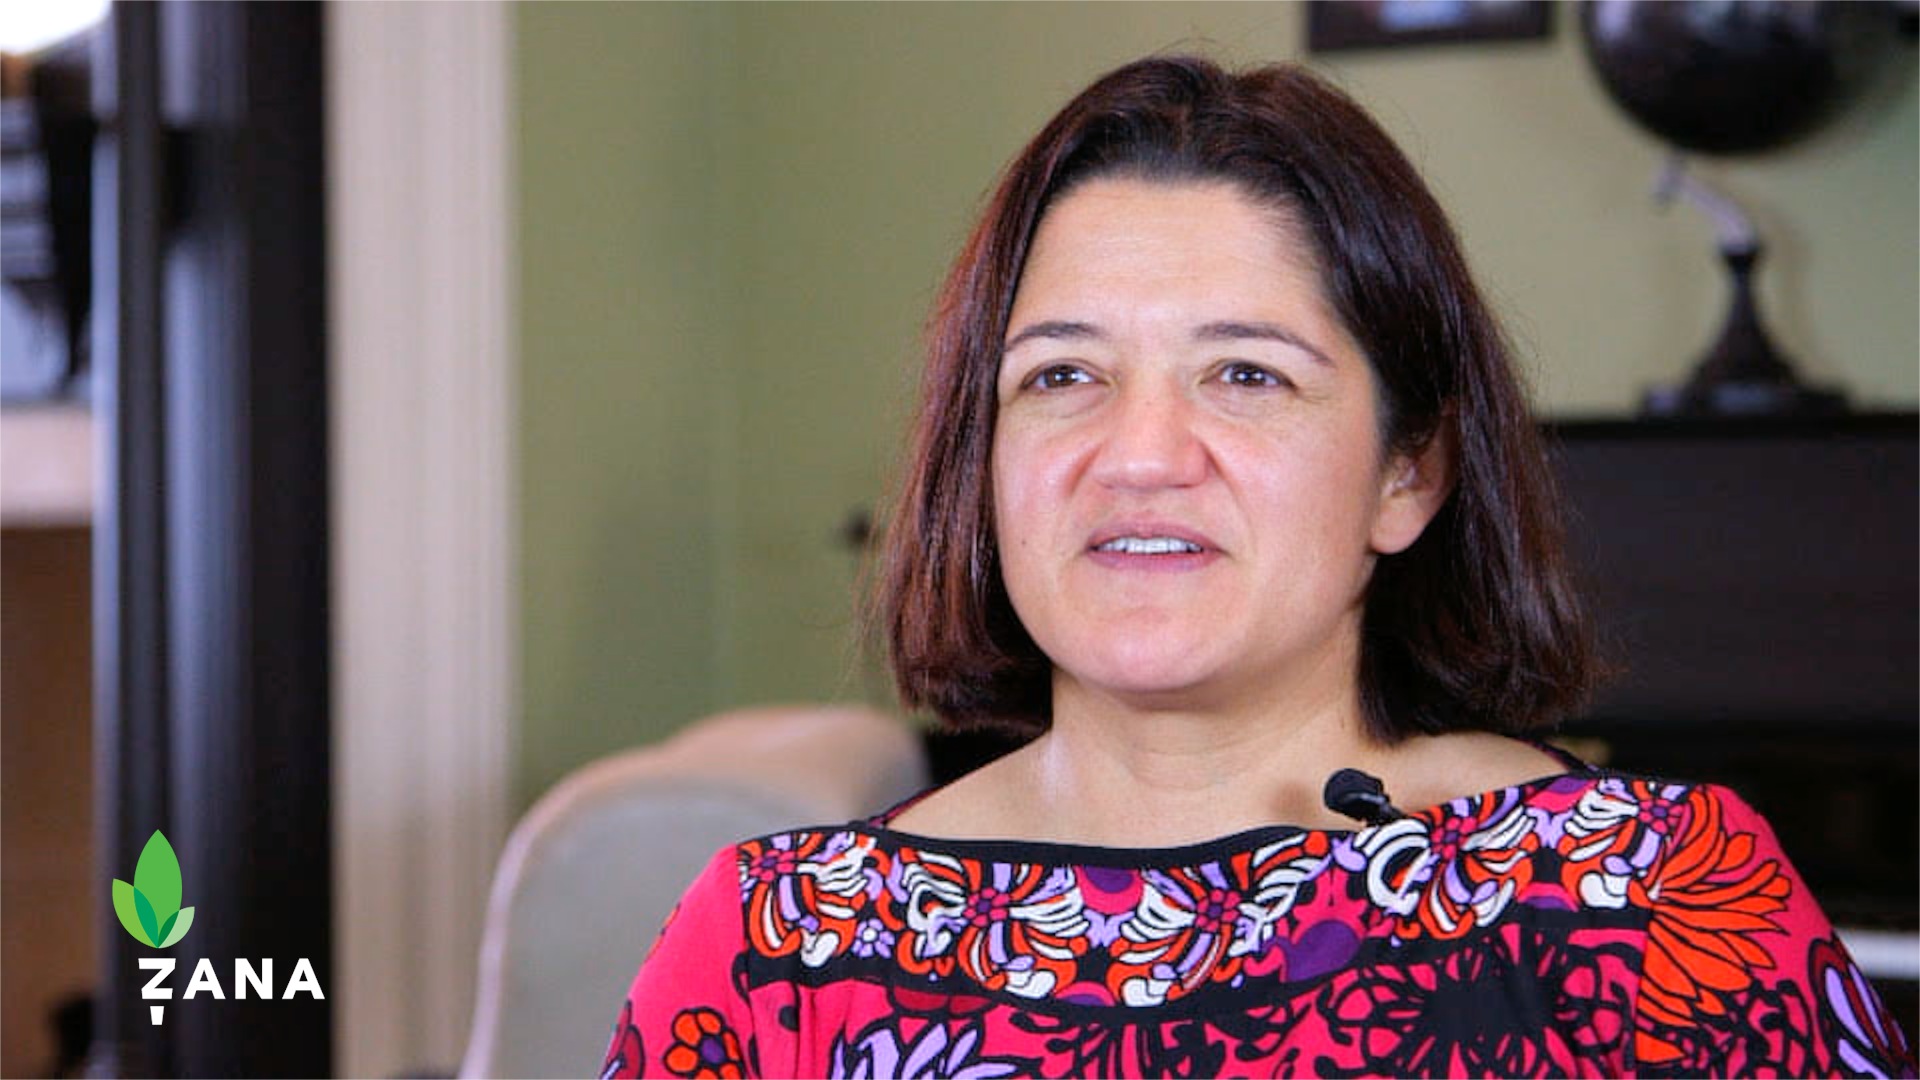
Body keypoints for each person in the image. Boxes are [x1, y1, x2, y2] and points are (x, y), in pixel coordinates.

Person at [601, 56, 1913, 1078]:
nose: (1141, 455)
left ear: (1409, 473)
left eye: (1245, 375)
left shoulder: (1653, 897)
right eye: (1062, 376)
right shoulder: (772, 942)